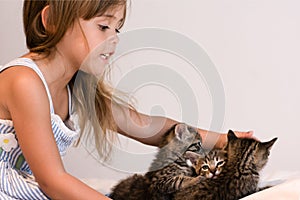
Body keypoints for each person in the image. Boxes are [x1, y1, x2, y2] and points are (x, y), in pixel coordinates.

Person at [0, 0, 253, 199]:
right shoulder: (25, 82)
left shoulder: (76, 87)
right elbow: (52, 180)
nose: (114, 39)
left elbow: (146, 125)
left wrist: (224, 140)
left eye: (117, 28)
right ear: (52, 20)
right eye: (103, 27)